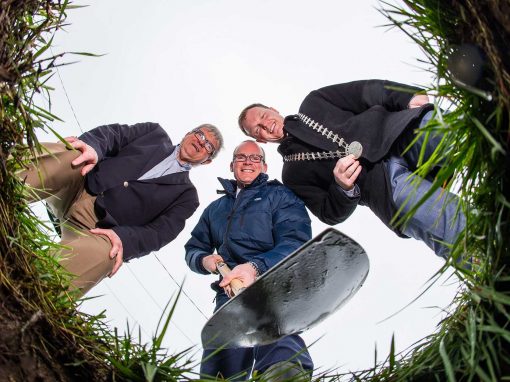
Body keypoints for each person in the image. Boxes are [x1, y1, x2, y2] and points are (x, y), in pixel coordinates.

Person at [238, 79, 465, 259]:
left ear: (273, 109)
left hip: (398, 131)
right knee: (445, 224)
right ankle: (492, 257)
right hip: (384, 188)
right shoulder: (292, 176)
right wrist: (342, 187)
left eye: (264, 116)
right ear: (261, 140)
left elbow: (366, 91)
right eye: (257, 129)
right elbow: (329, 213)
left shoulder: (314, 102)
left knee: (453, 132)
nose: (265, 124)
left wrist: (409, 96)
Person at [21, 122, 223, 294]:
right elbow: (114, 135)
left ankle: (32, 292)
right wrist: (93, 147)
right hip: (78, 182)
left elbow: (159, 233)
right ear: (188, 134)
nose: (200, 142)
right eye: (199, 134)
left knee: (108, 252)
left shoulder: (187, 196)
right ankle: (9, 182)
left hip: (96, 228)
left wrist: (124, 239)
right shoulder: (153, 133)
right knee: (73, 153)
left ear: (207, 161)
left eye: (208, 146)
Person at [185, 140, 314, 381]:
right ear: (232, 165)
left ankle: (286, 373)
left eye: (255, 158)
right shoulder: (215, 209)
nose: (247, 162)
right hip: (229, 291)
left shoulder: (281, 196)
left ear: (264, 166)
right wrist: (204, 261)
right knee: (222, 352)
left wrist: (256, 267)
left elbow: (296, 242)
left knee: (273, 331)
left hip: (272, 280)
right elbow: (194, 248)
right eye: (241, 157)